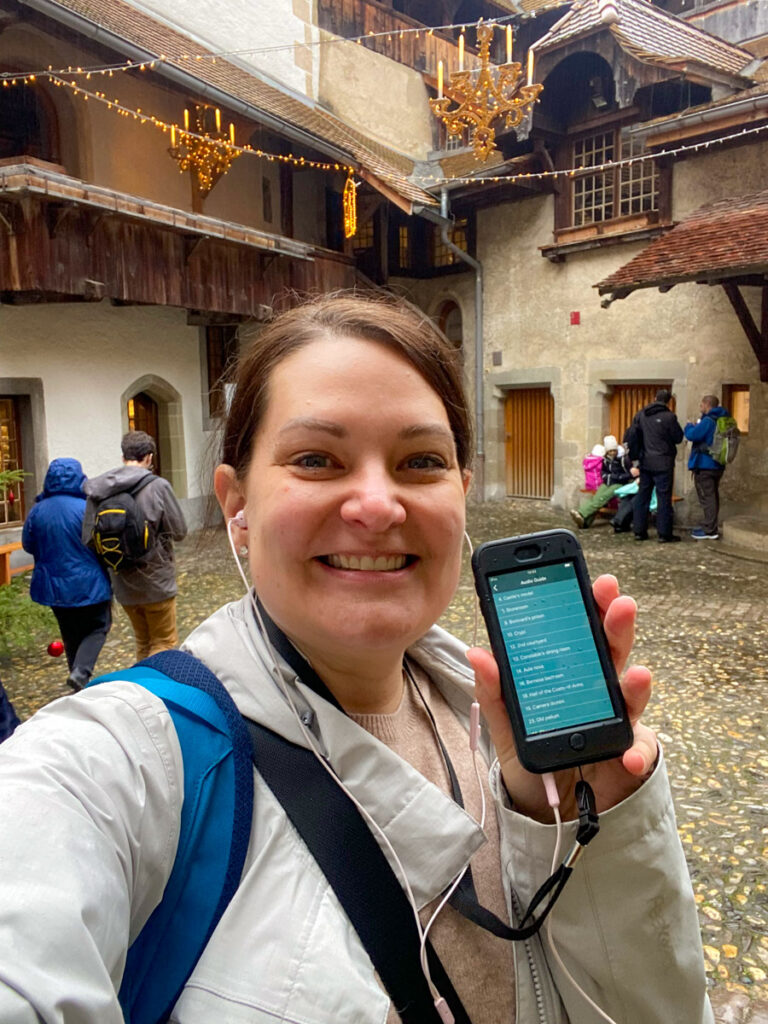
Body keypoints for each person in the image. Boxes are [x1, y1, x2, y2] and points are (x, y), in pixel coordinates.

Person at [0, 295, 712, 1023]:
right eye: (316, 459)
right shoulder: (118, 764)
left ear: (460, 496)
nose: (377, 505)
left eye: (421, 461)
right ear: (236, 504)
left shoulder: (504, 729)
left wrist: (581, 824)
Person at [83, 431, 188, 660]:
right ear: (149, 457)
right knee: (164, 643)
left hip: (123, 581)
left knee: (143, 643)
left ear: (124, 456)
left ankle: (143, 691)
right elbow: (179, 531)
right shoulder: (158, 487)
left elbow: (89, 539)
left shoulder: (98, 491)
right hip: (157, 580)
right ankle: (161, 691)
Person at [21, 457, 112, 691]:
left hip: (53, 586)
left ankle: (77, 678)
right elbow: (100, 544)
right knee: (98, 626)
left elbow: (28, 545)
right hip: (88, 582)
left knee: (70, 633)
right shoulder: (86, 508)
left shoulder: (37, 510)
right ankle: (81, 671)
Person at [627, 388, 684, 543]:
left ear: (654, 398)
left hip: (645, 462)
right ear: (668, 401)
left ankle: (639, 531)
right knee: (663, 497)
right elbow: (678, 437)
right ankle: (664, 534)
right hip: (664, 463)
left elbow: (633, 435)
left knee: (643, 495)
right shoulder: (669, 417)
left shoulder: (641, 415)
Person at [684, 394, 729, 540]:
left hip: (705, 465)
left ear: (706, 404)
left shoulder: (708, 420)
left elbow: (693, 435)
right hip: (718, 464)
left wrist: (689, 426)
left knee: (707, 497)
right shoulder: (723, 419)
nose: (700, 407)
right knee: (713, 496)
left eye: (701, 404)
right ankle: (711, 526)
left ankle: (710, 530)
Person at [570, 435, 632, 529]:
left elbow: (629, 474)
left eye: (614, 450)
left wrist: (614, 477)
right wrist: (608, 477)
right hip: (608, 482)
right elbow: (603, 472)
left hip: (620, 483)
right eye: (610, 451)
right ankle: (585, 522)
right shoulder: (605, 460)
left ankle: (581, 513)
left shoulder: (623, 459)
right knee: (596, 498)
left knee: (602, 499)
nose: (612, 453)